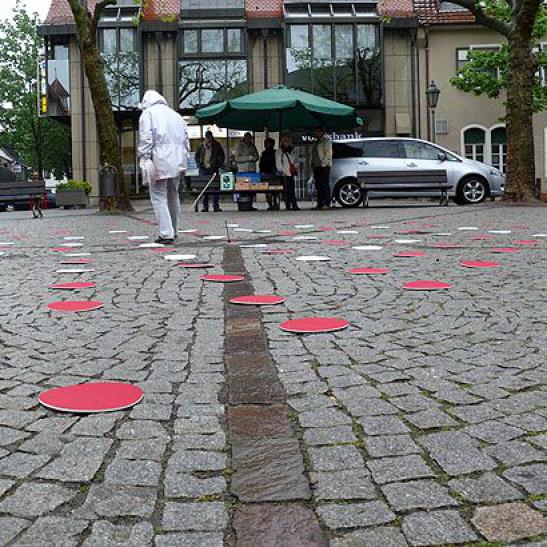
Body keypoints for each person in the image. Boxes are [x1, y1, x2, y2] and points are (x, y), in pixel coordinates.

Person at [138, 90, 189, 244]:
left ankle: (166, 233)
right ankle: (174, 228)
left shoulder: (148, 114)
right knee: (173, 194)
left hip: (159, 159)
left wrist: (144, 157)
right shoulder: (176, 115)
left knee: (158, 195)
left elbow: (146, 138)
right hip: (178, 160)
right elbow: (186, 140)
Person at [195, 130, 225, 212]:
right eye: (207, 138)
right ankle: (205, 206)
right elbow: (197, 156)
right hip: (203, 169)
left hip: (213, 168)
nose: (208, 140)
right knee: (204, 187)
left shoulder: (217, 145)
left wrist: (217, 164)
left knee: (215, 187)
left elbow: (222, 156)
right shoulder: (201, 146)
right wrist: (199, 164)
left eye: (210, 138)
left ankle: (216, 206)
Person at [235, 132, 259, 211]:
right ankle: (242, 205)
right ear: (244, 138)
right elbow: (237, 158)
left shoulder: (252, 146)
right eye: (248, 138)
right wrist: (248, 158)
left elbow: (257, 157)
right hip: (242, 171)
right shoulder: (239, 146)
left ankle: (250, 205)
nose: (249, 139)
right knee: (242, 188)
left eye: (250, 138)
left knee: (251, 189)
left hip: (251, 170)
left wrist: (254, 158)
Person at [276, 132, 300, 211]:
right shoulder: (279, 152)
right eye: (285, 141)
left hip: (291, 173)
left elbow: (296, 160)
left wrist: (296, 166)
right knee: (286, 190)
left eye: (289, 140)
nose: (287, 142)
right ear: (282, 142)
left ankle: (294, 204)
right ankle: (288, 204)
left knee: (292, 189)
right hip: (283, 174)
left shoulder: (293, 151)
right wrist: (283, 170)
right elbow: (278, 164)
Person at [311, 126, 333, 209]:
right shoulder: (316, 141)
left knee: (324, 184)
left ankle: (327, 202)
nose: (315, 133)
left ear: (321, 132)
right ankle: (320, 202)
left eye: (317, 131)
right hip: (316, 165)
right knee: (318, 185)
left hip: (323, 165)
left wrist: (324, 162)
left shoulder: (326, 140)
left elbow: (328, 153)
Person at [259, 137, 279, 210]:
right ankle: (272, 204)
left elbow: (261, 164)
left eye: (267, 143)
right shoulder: (265, 153)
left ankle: (273, 204)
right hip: (268, 173)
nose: (265, 145)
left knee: (272, 190)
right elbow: (261, 164)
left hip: (271, 173)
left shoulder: (273, 153)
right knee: (270, 190)